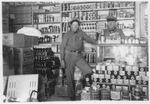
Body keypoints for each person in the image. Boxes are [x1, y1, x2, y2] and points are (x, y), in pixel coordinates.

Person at [60, 18, 98, 100]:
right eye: (73, 25)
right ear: (70, 25)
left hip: (79, 56)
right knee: (69, 77)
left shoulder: (81, 33)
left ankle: (81, 82)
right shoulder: (66, 34)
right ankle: (72, 97)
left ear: (78, 26)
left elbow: (88, 38)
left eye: (77, 25)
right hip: (69, 55)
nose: (75, 26)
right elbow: (62, 47)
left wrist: (98, 42)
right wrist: (62, 59)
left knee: (89, 71)